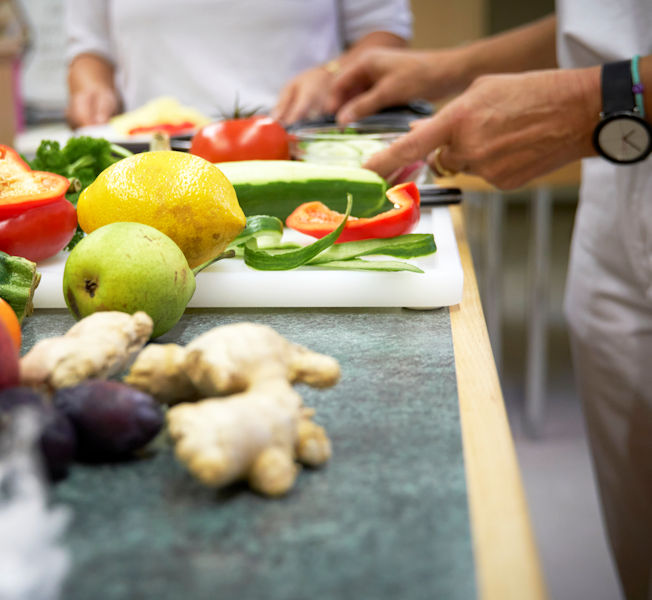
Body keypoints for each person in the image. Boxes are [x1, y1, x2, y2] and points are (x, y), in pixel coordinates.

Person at [325, 7, 651, 598]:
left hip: (617, 132)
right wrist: (446, 69)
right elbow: (604, 20)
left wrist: (591, 103)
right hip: (618, 201)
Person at [63, 0, 412, 129]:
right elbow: (90, 50)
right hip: (149, 154)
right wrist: (92, 88)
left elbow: (385, 32)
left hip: (298, 141)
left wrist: (333, 73)